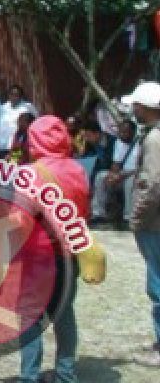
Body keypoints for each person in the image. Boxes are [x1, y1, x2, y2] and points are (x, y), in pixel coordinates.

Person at [19, 114, 90, 383]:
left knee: (29, 318)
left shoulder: (30, 174)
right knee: (64, 314)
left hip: (37, 257)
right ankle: (65, 374)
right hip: (68, 256)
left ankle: (29, 376)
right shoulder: (78, 169)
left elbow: (19, 219)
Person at [125, 81, 160, 367]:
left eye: (135, 104)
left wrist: (136, 218)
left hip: (155, 224)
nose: (132, 109)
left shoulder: (154, 139)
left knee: (158, 285)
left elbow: (152, 184)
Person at [92, 119, 140, 225]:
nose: (122, 134)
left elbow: (140, 168)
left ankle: (128, 217)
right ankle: (98, 214)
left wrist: (121, 176)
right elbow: (116, 163)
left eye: (125, 132)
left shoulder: (140, 144)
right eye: (120, 131)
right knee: (101, 176)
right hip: (121, 175)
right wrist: (112, 175)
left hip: (135, 175)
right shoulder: (119, 142)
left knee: (130, 182)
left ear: (133, 132)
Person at [0, 85, 38, 159]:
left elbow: (36, 122)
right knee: (3, 168)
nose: (14, 97)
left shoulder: (27, 107)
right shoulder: (2, 108)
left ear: (21, 96)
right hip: (3, 145)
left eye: (17, 95)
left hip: (19, 145)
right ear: (9, 95)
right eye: (12, 94)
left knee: (14, 164)